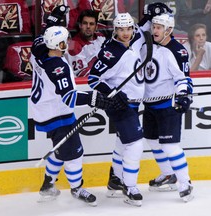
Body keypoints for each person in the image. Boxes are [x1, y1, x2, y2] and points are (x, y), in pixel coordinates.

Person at [29, 6, 117, 206]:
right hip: (56, 113)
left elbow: (44, 35)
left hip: (44, 109)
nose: (67, 42)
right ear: (58, 43)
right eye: (64, 40)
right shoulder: (58, 68)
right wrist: (96, 99)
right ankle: (77, 188)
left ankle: (48, 184)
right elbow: (69, 98)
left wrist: (52, 20)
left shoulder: (39, 49)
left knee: (60, 149)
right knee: (75, 152)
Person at [88, 3, 171, 205]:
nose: (125, 33)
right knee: (135, 144)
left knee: (122, 142)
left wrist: (152, 15)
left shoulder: (132, 41)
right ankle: (130, 186)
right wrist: (112, 95)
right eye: (121, 30)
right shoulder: (111, 52)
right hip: (120, 105)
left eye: (128, 29)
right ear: (115, 31)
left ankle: (115, 180)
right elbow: (93, 78)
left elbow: (142, 28)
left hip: (133, 103)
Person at [142, 13, 194, 202]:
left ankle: (185, 182)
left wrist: (183, 95)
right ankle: (168, 174)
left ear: (169, 30)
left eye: (158, 27)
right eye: (153, 26)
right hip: (149, 104)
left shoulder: (176, 51)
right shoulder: (150, 47)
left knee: (170, 145)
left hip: (167, 106)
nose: (154, 30)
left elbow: (183, 78)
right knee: (153, 141)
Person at [65, 9, 106, 77]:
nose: (88, 27)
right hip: (87, 84)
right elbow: (82, 73)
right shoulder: (73, 46)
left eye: (91, 24)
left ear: (96, 27)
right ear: (80, 25)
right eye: (85, 23)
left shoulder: (101, 37)